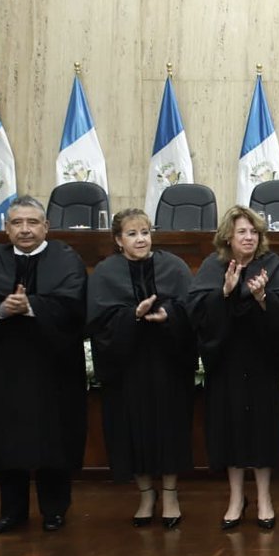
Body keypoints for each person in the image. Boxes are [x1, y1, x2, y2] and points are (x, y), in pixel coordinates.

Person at [0, 195, 87, 534]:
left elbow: (75, 304)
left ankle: (54, 510)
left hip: (53, 367)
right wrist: (2, 309)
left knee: (54, 438)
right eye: (17, 223)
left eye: (32, 222)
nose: (25, 229)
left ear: (46, 226)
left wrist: (30, 307)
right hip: (5, 368)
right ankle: (12, 512)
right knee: (7, 441)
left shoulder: (65, 258)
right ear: (6, 228)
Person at [87, 209, 197, 529]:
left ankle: (171, 495)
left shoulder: (173, 266)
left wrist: (168, 315)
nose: (140, 239)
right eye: (132, 234)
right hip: (126, 367)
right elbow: (98, 321)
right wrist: (132, 316)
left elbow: (192, 310)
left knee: (169, 429)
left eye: (145, 232)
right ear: (118, 240)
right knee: (131, 430)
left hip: (167, 363)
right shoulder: (106, 272)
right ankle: (146, 495)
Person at [188, 206, 279, 530]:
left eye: (254, 232)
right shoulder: (213, 266)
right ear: (228, 238)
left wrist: (263, 299)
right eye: (242, 232)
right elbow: (196, 312)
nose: (249, 238)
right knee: (230, 430)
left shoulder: (273, 266)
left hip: (261, 363)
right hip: (227, 363)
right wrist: (224, 293)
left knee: (262, 430)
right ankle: (236, 498)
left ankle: (264, 498)